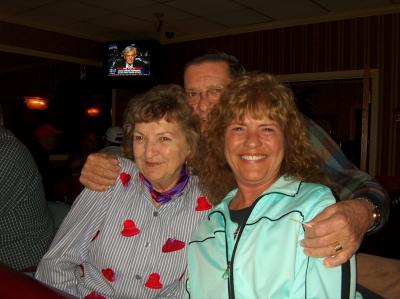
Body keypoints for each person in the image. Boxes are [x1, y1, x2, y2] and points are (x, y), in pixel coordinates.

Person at [79, 51, 389, 268]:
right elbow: (147, 149)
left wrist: (362, 213)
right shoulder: (190, 136)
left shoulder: (282, 128)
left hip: (301, 255)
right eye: (193, 93)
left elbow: (357, 182)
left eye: (215, 91)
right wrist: (106, 158)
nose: (202, 105)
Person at [186, 72, 358, 298]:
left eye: (267, 128)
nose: (252, 141)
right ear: (221, 140)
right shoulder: (207, 229)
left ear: (287, 140)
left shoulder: (314, 207)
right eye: (238, 128)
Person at [35, 85, 209, 298]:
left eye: (164, 138)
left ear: (190, 146)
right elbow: (56, 263)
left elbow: (188, 290)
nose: (148, 151)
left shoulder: (207, 204)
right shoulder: (112, 178)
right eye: (140, 138)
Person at [0, 105, 54, 271]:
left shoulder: (6, 151)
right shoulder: (38, 153)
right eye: (51, 136)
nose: (54, 140)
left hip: (24, 267)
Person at [29, 123, 62, 201]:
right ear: (44, 138)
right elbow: (49, 176)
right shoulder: (39, 154)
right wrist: (69, 168)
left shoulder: (39, 152)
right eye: (53, 136)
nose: (56, 140)